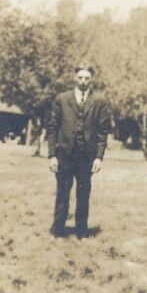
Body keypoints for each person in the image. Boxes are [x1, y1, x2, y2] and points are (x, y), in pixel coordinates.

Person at [47, 63, 111, 238]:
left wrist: (98, 157)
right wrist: (52, 155)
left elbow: (103, 132)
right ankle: (57, 231)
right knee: (62, 194)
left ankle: (81, 232)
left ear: (91, 79)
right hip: (64, 155)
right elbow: (53, 128)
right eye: (80, 77)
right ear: (75, 78)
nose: (83, 81)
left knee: (83, 196)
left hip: (86, 157)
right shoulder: (62, 99)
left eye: (87, 78)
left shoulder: (99, 102)